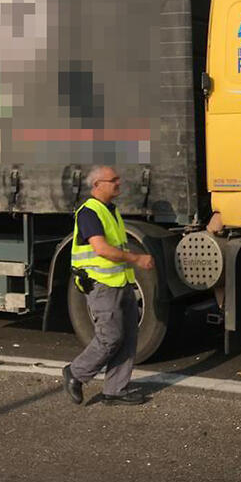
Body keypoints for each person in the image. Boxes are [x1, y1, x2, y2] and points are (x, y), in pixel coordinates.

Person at [62, 165, 154, 406]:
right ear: (97, 185)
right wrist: (137, 259)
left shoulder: (110, 210)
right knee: (110, 337)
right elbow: (101, 249)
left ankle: (115, 390)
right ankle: (76, 372)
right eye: (113, 180)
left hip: (120, 282)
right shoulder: (89, 212)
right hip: (102, 285)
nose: (118, 183)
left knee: (128, 337)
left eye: (118, 179)